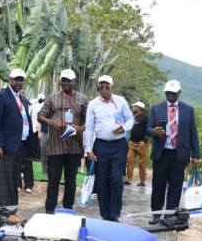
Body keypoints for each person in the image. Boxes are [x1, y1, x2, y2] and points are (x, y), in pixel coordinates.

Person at [147, 80, 201, 225]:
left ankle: (170, 214)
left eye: (173, 93)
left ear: (179, 93)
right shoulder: (156, 108)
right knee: (158, 184)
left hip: (179, 153)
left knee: (175, 185)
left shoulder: (188, 109)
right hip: (161, 152)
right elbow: (149, 128)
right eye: (167, 93)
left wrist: (196, 154)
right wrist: (154, 131)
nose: (170, 95)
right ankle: (156, 213)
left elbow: (193, 132)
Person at [38, 69, 88, 214]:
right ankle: (49, 209)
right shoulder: (52, 98)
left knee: (71, 180)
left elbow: (89, 122)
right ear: (61, 81)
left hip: (74, 146)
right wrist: (50, 121)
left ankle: (68, 208)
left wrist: (79, 129)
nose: (66, 83)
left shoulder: (83, 99)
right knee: (53, 179)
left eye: (69, 80)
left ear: (74, 81)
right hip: (55, 146)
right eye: (64, 80)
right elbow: (40, 116)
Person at [84, 75, 134, 221]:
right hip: (101, 145)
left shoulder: (121, 101)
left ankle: (114, 214)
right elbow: (89, 127)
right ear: (98, 88)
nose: (104, 90)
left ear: (112, 87)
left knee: (117, 179)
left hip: (119, 146)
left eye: (107, 87)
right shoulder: (93, 104)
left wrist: (124, 128)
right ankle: (105, 214)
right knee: (102, 180)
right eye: (101, 87)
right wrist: (88, 149)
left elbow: (130, 119)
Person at [0, 68, 35, 222]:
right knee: (4, 181)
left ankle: (12, 212)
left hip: (18, 145)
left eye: (21, 80)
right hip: (4, 147)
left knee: (14, 180)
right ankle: (5, 215)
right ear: (9, 79)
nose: (19, 82)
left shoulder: (21, 99)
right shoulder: (1, 96)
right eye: (16, 79)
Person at [125, 101, 150, 186]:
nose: (133, 108)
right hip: (132, 143)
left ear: (139, 108)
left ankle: (142, 180)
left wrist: (144, 141)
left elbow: (148, 130)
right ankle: (129, 179)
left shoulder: (145, 117)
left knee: (142, 162)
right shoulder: (133, 118)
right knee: (129, 160)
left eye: (134, 106)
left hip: (142, 143)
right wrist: (129, 140)